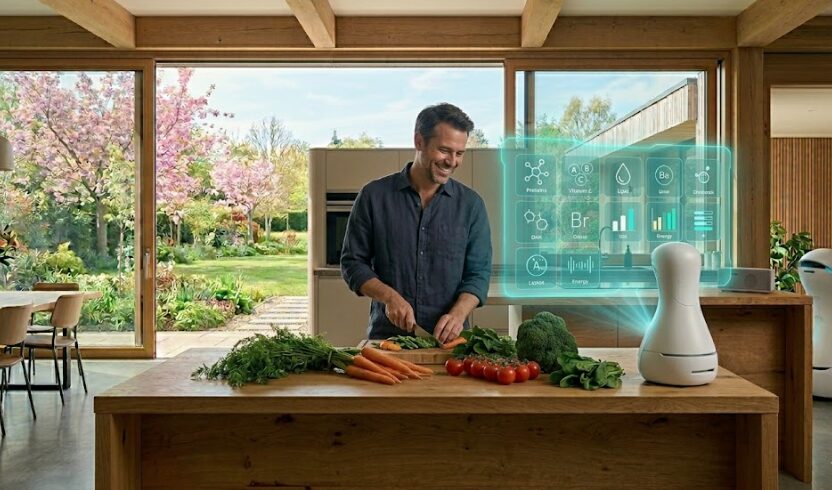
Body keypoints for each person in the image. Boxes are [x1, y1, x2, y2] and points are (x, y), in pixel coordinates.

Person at [341, 103, 492, 343]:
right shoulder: (374, 196)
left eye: (459, 153)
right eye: (444, 150)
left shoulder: (471, 205)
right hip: (388, 341)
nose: (452, 161)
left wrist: (458, 313)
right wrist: (389, 297)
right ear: (419, 141)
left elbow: (479, 274)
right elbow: (352, 263)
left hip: (451, 345)